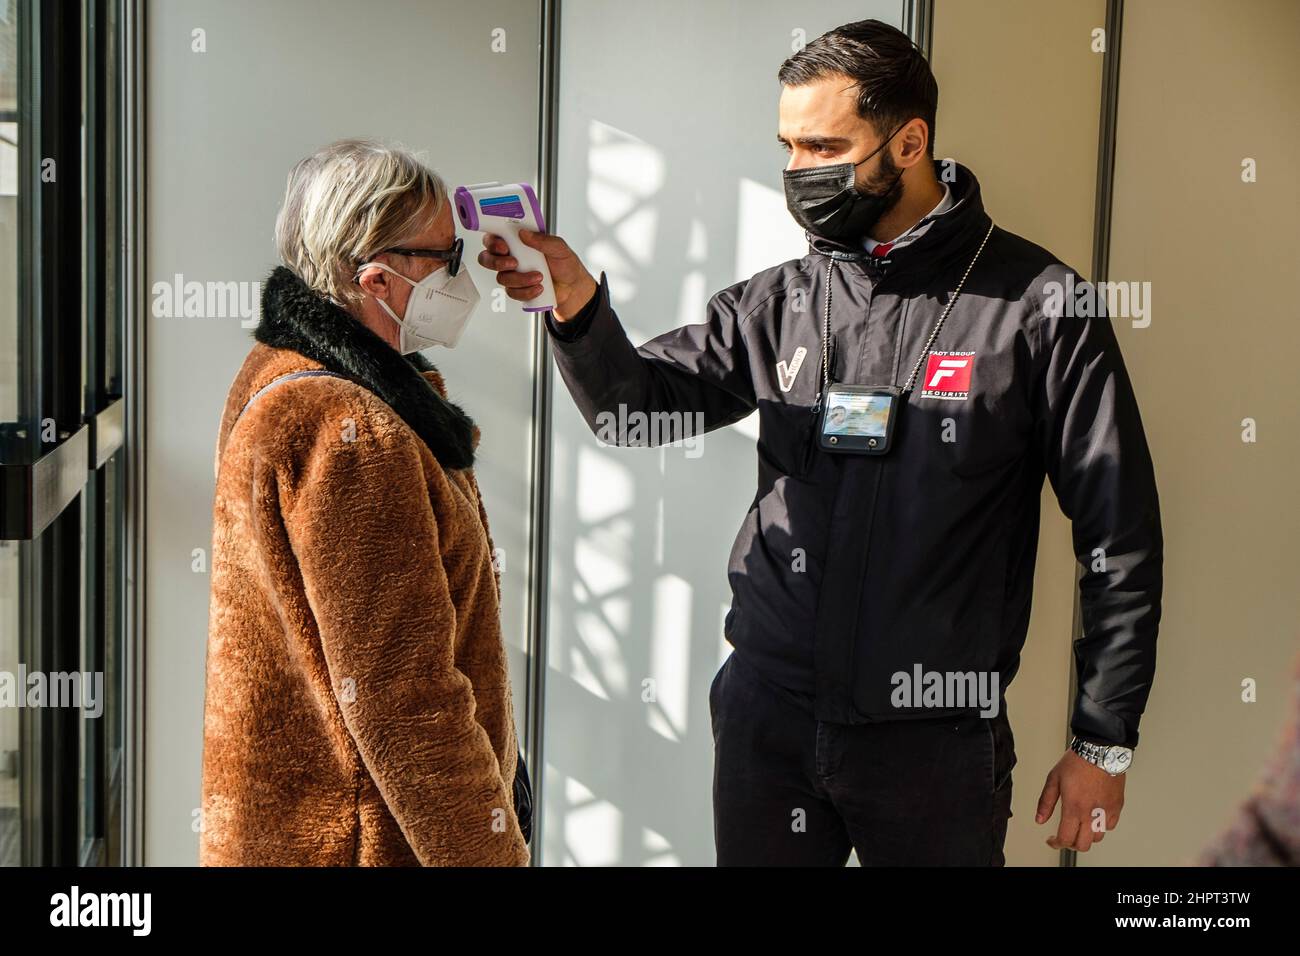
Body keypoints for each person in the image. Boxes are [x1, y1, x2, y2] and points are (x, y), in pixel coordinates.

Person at [481, 20, 1162, 865]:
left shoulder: (1040, 306)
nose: (799, 171)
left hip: (934, 739)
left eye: (824, 146)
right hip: (770, 721)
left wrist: (1103, 741)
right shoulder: (782, 301)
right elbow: (633, 410)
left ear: (910, 142)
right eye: (788, 146)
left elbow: (1119, 538)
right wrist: (578, 307)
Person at [201, 139, 529, 866]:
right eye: (446, 257)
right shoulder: (350, 432)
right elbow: (406, 700)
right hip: (360, 839)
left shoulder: (284, 373)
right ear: (376, 277)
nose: (463, 273)